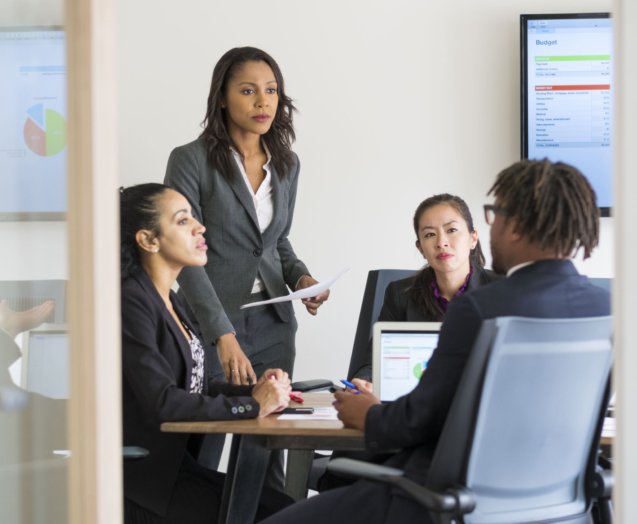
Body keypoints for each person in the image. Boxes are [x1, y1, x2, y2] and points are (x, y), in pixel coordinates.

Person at [260, 159, 610, 524]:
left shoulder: (479, 308)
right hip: (554, 506)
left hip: (441, 501)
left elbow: (416, 421)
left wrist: (371, 414)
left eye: (494, 215)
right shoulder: (608, 310)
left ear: (517, 223)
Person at [164, 47, 329, 481]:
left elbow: (275, 244)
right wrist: (222, 332)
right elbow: (182, 254)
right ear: (222, 97)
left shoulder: (287, 164)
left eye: (271, 90)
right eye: (249, 90)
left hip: (275, 324)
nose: (263, 102)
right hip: (212, 323)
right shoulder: (191, 160)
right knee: (203, 445)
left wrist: (302, 277)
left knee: (268, 447)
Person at [119, 183, 294, 523]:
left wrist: (258, 390)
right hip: (143, 483)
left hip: (175, 469)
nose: (200, 227)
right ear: (148, 240)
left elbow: (194, 387)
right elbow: (165, 402)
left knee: (284, 507)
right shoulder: (131, 301)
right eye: (183, 221)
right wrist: (254, 405)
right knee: (280, 515)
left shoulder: (170, 300)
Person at [351, 194, 500, 383]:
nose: (441, 242)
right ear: (421, 248)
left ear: (473, 238)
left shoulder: (502, 288)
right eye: (430, 234)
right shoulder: (400, 294)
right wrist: (362, 381)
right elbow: (373, 362)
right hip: (420, 404)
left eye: (451, 230)